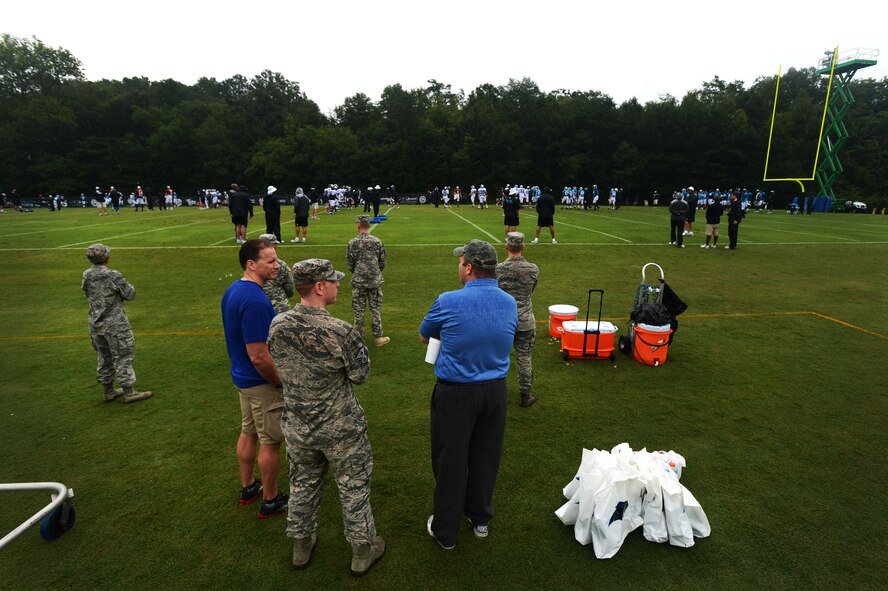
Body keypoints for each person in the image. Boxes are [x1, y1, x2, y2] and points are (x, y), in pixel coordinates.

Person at [268, 258, 385, 575]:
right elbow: (360, 374)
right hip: (341, 429)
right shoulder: (340, 331)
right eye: (333, 281)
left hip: (299, 426)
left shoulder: (278, 324)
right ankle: (362, 550)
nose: (337, 284)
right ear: (319, 287)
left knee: (303, 484)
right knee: (354, 487)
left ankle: (301, 546)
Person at [419, 239, 518, 550]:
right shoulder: (509, 302)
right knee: (485, 457)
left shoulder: (448, 300)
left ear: (470, 267)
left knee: (450, 460)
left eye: (461, 262)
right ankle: (480, 518)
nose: (458, 267)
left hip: (456, 394)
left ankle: (446, 531)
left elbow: (426, 334)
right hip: (495, 392)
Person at [221, 239, 288, 519]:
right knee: (270, 441)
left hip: (242, 379)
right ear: (252, 264)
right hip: (260, 383)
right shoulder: (257, 300)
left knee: (248, 432)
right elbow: (259, 355)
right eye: (270, 261)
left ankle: (249, 487)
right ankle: (270, 500)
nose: (276, 266)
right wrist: (278, 382)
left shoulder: (233, 290)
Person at [81, 244, 153, 404]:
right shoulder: (113, 275)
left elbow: (86, 292)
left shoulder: (86, 274)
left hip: (95, 323)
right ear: (106, 258)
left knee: (104, 356)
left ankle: (109, 391)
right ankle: (129, 392)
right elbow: (130, 294)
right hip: (115, 324)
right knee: (123, 355)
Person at [496, 232, 539, 407]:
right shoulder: (533, 269)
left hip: (502, 321)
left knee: (497, 357)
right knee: (524, 357)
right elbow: (531, 290)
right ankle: (525, 395)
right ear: (523, 246)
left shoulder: (498, 269)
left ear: (507, 246)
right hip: (525, 320)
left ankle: (497, 394)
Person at [347, 215, 391, 347]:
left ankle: (358, 338)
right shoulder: (377, 241)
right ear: (369, 225)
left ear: (358, 225)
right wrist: (374, 272)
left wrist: (358, 272)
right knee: (375, 308)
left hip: (358, 280)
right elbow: (382, 261)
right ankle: (378, 337)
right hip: (374, 280)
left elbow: (350, 264)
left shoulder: (353, 242)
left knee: (358, 310)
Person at [258, 234, 294, 314]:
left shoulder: (253, 264)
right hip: (280, 307)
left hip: (258, 306)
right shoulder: (281, 264)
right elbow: (289, 288)